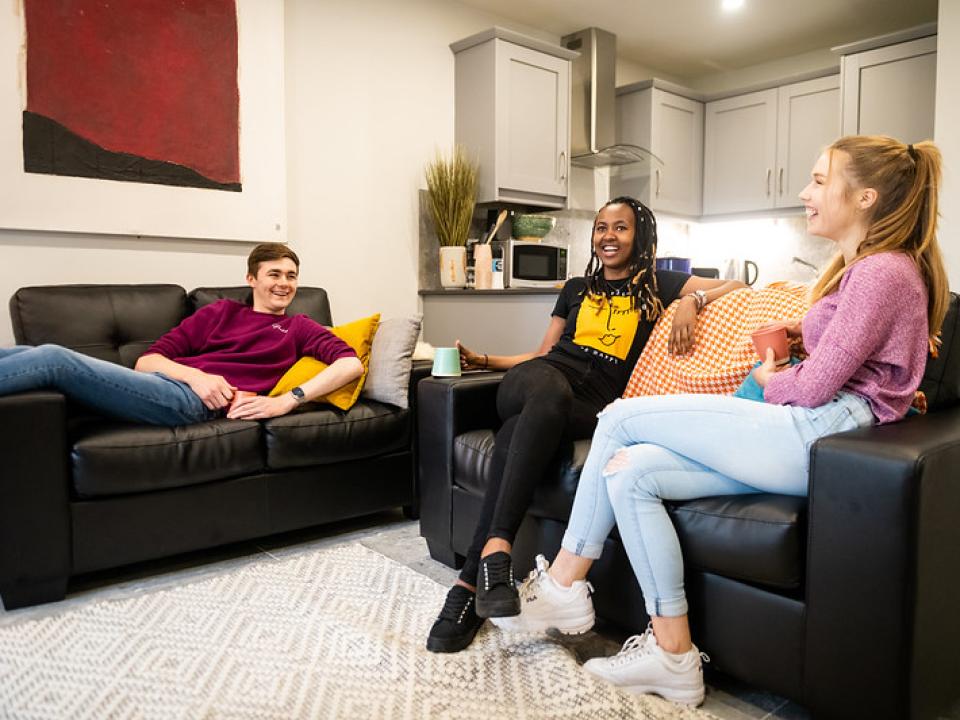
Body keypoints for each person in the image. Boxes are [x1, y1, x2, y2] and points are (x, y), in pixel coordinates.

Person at [490, 136, 950, 706]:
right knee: (630, 472)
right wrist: (804, 338)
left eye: (819, 180)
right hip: (819, 430)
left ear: (865, 198)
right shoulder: (867, 270)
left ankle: (562, 585)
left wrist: (768, 376)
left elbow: (812, 387)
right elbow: (852, 359)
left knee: (618, 419)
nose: (805, 193)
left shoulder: (883, 271)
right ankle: (674, 657)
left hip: (821, 434)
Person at [426, 197, 747, 654]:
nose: (608, 236)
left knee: (521, 431)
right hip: (536, 380)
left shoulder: (658, 286)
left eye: (620, 228)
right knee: (547, 393)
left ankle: (473, 580)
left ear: (640, 237)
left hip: (588, 406)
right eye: (600, 228)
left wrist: (690, 302)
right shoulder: (576, 287)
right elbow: (542, 354)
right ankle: (494, 552)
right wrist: (487, 361)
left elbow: (737, 285)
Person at [0, 243, 363, 426]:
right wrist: (198, 377)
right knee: (25, 355)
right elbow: (147, 362)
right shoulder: (220, 312)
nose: (284, 284)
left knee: (52, 358)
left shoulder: (299, 326)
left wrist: (287, 400)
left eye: (291, 275)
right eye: (274, 274)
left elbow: (350, 365)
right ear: (251, 279)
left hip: (190, 405)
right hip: (173, 384)